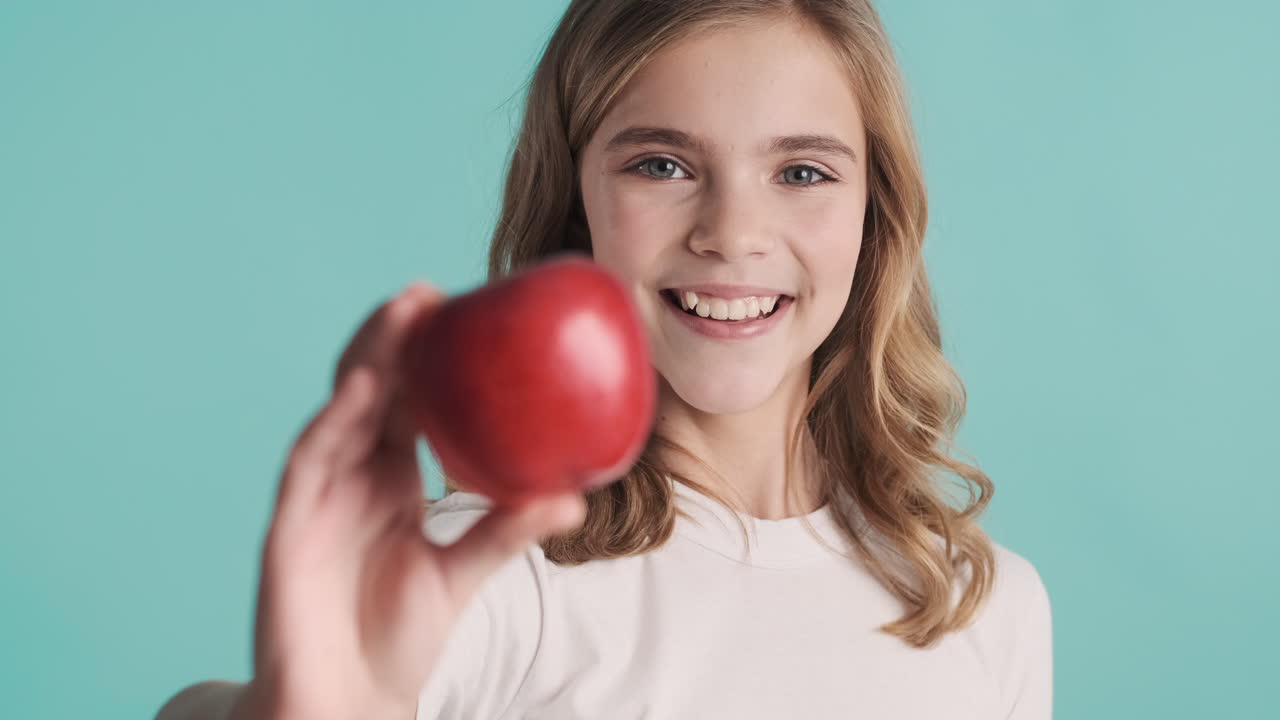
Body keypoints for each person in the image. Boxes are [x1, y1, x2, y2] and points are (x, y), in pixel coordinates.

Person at [155, 1, 1053, 718]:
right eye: (661, 166)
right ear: (578, 207)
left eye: (803, 172)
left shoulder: (987, 605)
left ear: (874, 212)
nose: (732, 235)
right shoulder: (488, 576)